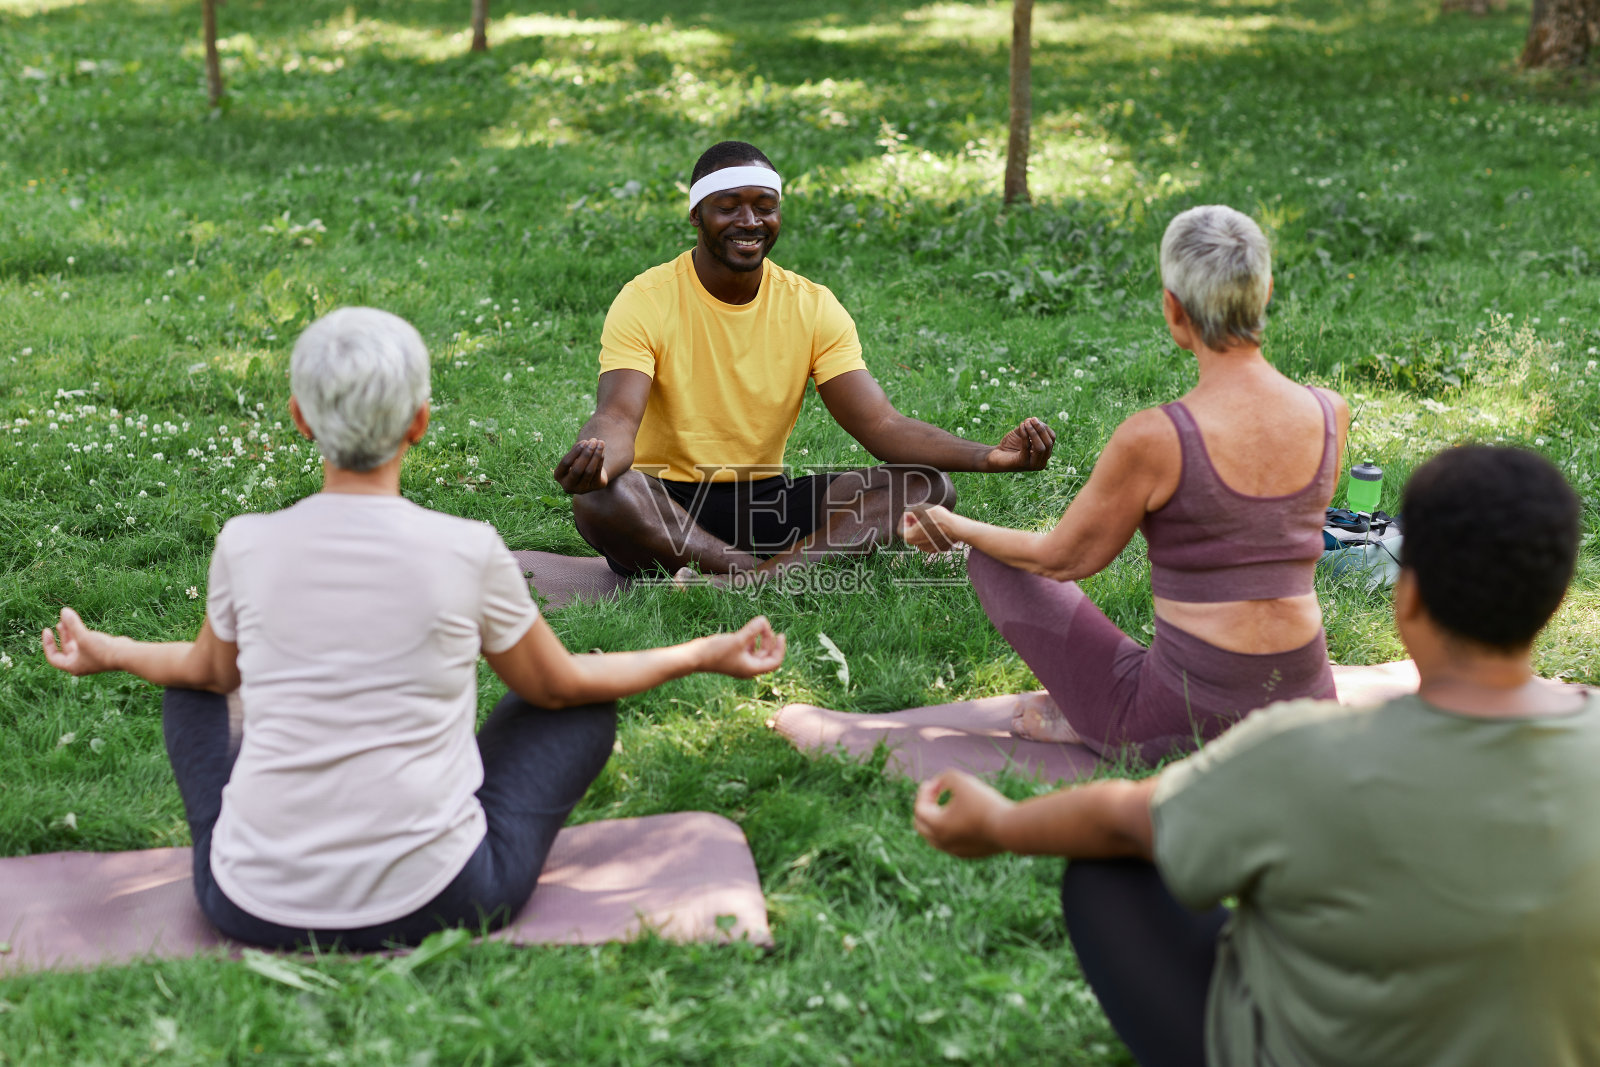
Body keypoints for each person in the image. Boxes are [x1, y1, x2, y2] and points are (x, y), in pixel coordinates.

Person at [39, 308, 786, 951]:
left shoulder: (246, 541)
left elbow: (206, 673)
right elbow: (559, 686)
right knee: (575, 696)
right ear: (420, 423)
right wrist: (702, 652)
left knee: (194, 684)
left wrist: (108, 651)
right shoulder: (467, 550)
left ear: (301, 420)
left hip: (247, 905)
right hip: (445, 899)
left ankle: (269, 845)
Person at [915, 445, 1599, 1067]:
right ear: (1557, 597)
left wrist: (1001, 824)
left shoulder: (1307, 751)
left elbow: (1126, 819)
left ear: (1408, 595)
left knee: (1109, 873)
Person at [903, 205, 1349, 759]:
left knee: (995, 558)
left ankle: (1098, 722)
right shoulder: (1330, 412)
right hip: (1307, 713)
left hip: (1183, 725)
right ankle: (1105, 705)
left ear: (1173, 309)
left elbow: (1061, 560)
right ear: (1266, 292)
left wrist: (956, 526)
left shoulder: (1156, 438)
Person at [552, 140, 1057, 579]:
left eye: (764, 206)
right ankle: (760, 574)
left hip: (765, 504)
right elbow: (617, 415)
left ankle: (749, 575)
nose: (749, 221)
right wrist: (596, 462)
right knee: (602, 498)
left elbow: (880, 424)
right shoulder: (646, 298)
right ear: (696, 215)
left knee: (928, 487)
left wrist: (991, 457)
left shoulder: (812, 304)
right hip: (664, 504)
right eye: (728, 207)